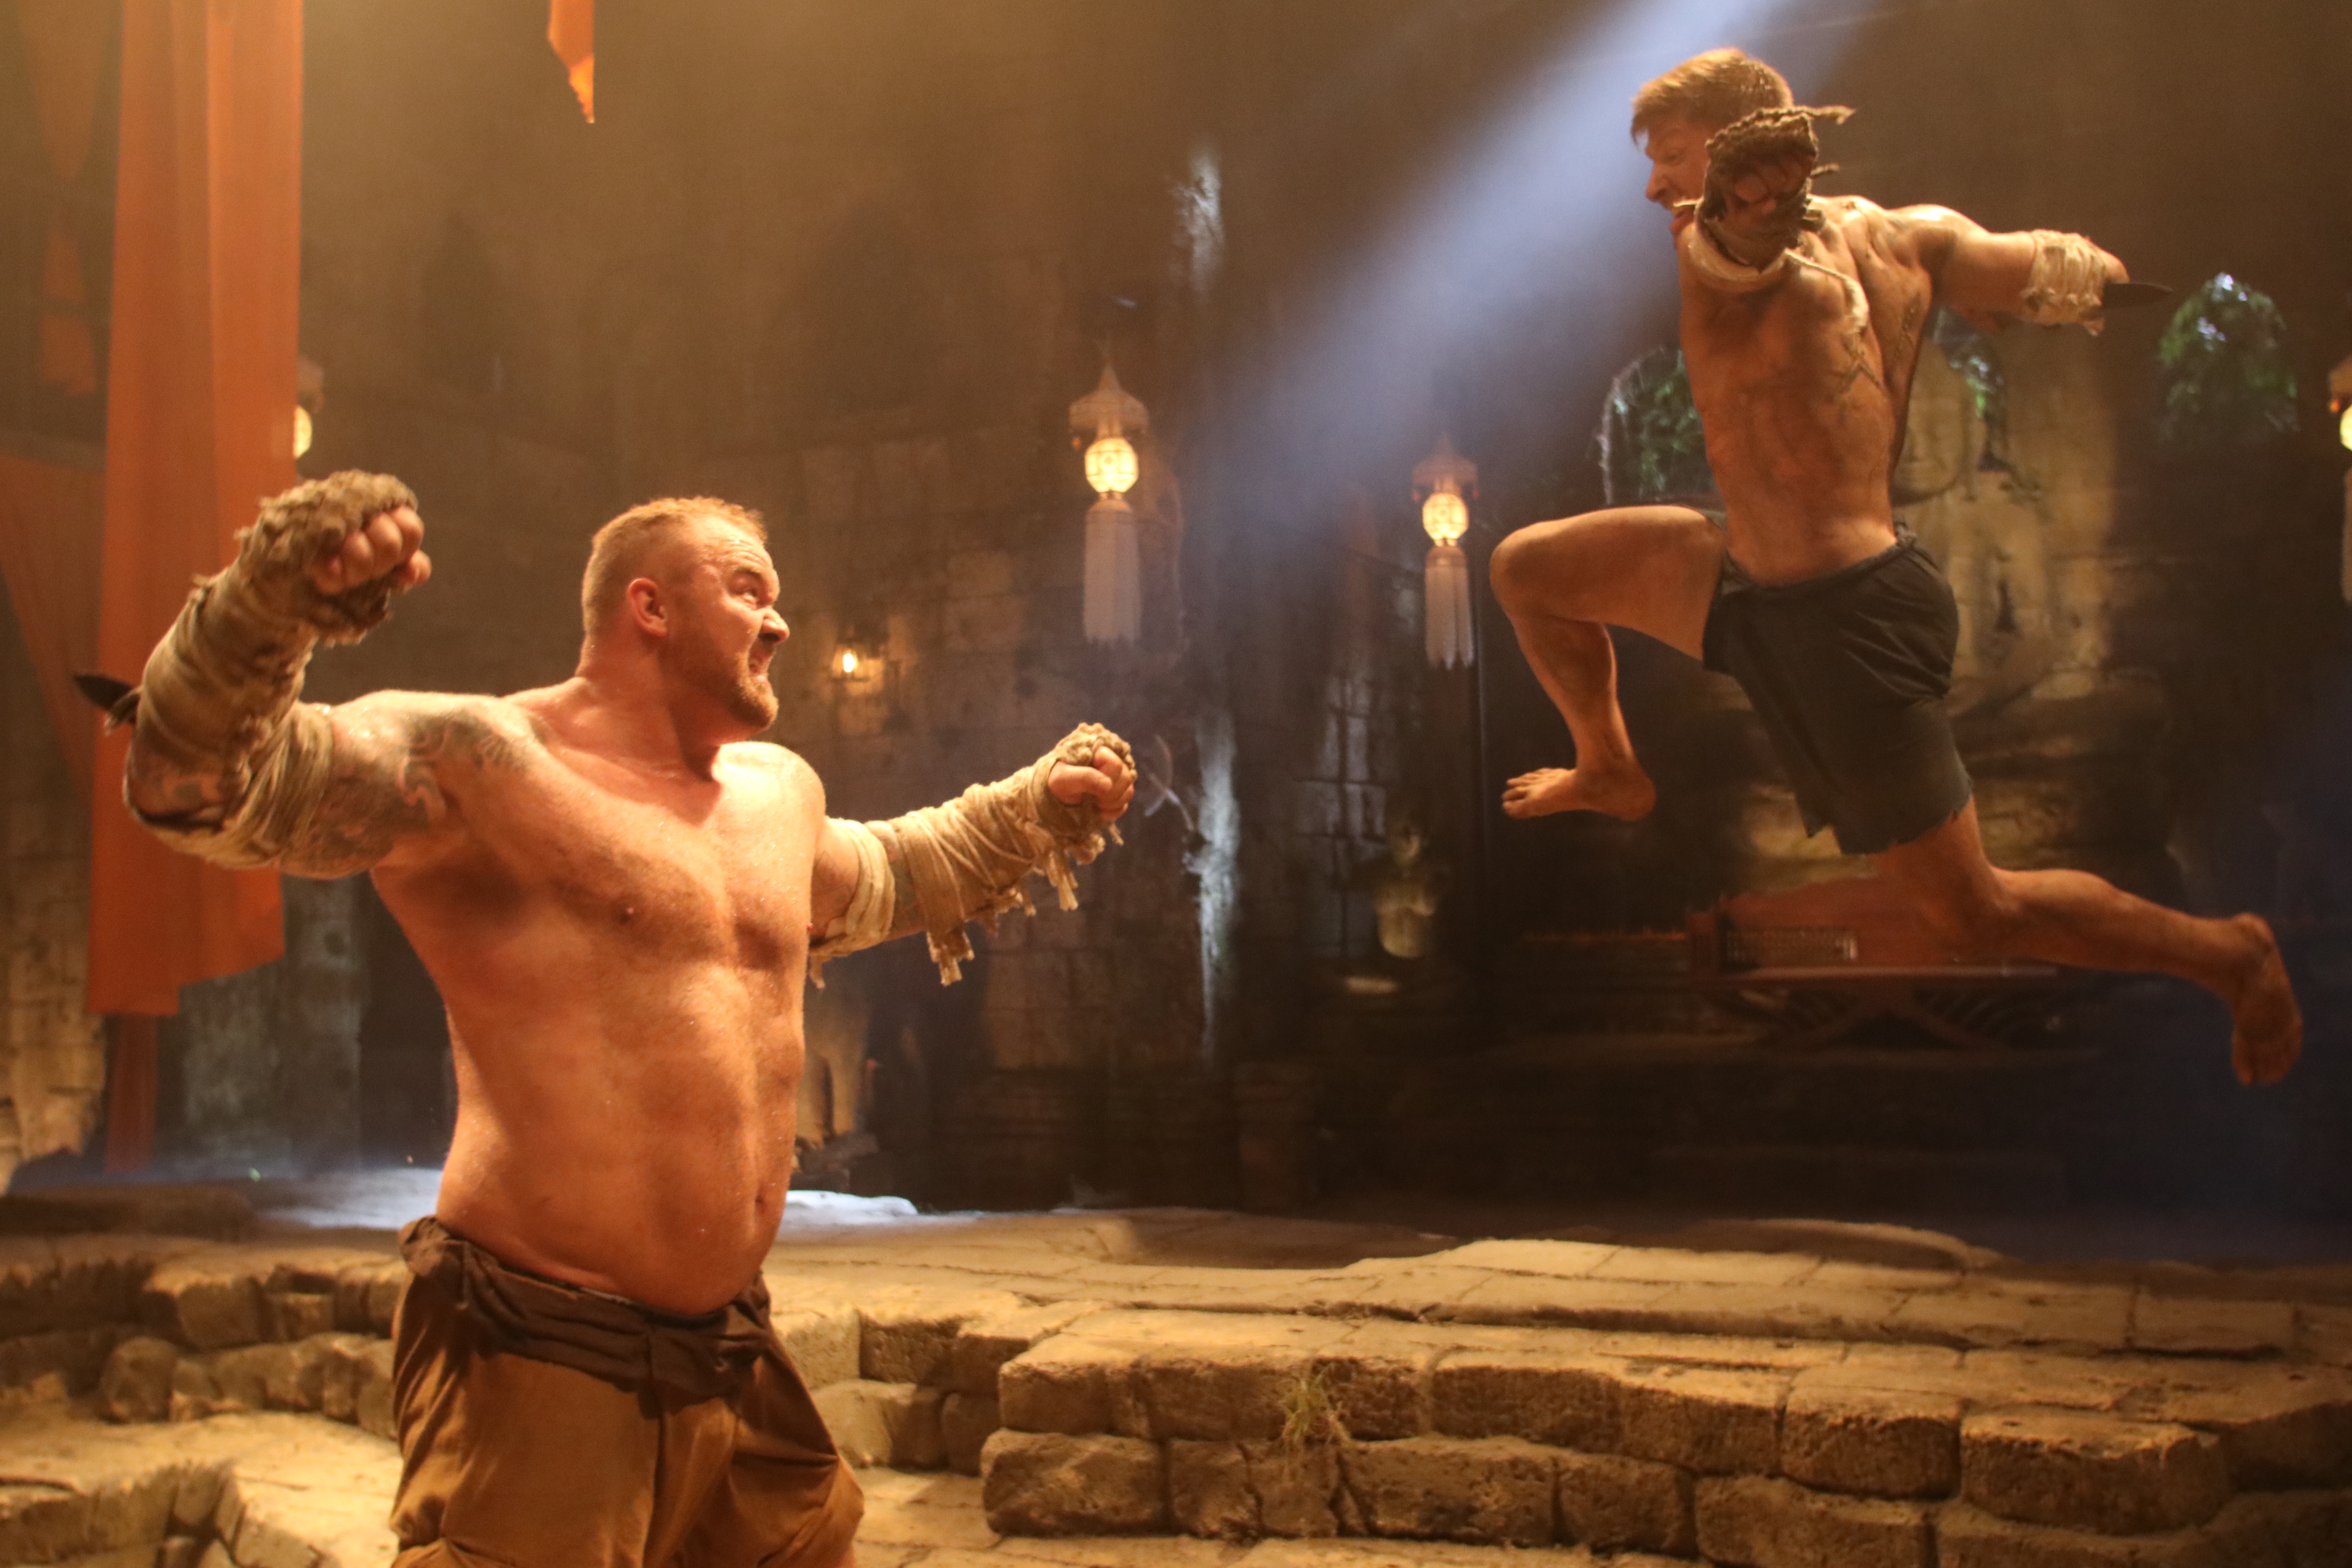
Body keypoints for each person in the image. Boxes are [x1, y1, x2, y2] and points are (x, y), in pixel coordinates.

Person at [118, 473, 1136, 1566]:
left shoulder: (775, 792)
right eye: (748, 591)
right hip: (540, 1348)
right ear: (650, 605)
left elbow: (890, 870)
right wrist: (261, 606)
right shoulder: (482, 763)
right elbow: (206, 784)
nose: (780, 624)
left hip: (728, 1356)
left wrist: (1029, 810)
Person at [1487, 48, 2300, 1086]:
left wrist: (1747, 203)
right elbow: (2038, 267)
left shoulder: (1734, 239)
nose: (1654, 186)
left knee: (1974, 914)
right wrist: (2069, 275)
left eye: (1674, 156)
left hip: (1848, 616)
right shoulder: (1910, 235)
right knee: (1528, 568)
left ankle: (2230, 955)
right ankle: (1609, 765)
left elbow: (1749, 254)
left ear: (1738, 154)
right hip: (1744, 570)